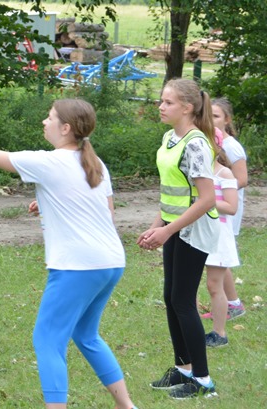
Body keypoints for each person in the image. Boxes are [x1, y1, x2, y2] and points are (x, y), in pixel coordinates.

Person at [0, 99, 137, 409]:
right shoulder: (95, 163)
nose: (44, 122)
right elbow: (106, 211)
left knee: (47, 340)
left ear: (65, 128)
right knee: (85, 334)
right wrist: (53, 203)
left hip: (77, 266)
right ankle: (126, 405)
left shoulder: (49, 162)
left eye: (50, 117)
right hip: (111, 261)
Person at [137, 78, 219, 399]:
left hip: (194, 229)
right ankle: (183, 368)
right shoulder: (170, 137)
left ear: (187, 107)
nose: (160, 106)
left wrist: (168, 230)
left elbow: (207, 199)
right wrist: (156, 225)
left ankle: (203, 380)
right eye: (161, 100)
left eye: (168, 102)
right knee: (171, 298)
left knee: (183, 301)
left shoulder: (196, 144)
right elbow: (173, 191)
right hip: (173, 225)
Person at [201, 98, 247, 320]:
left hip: (226, 209)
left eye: (216, 116)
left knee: (221, 257)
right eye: (208, 115)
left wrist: (211, 196)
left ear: (227, 120)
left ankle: (233, 303)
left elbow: (242, 179)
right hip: (214, 209)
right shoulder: (206, 143)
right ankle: (230, 302)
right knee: (216, 258)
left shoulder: (231, 146)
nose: (211, 119)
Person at [203, 133, 239, 348]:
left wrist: (205, 201)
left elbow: (231, 207)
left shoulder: (224, 173)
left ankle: (219, 333)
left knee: (214, 285)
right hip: (199, 234)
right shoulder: (197, 173)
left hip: (218, 237)